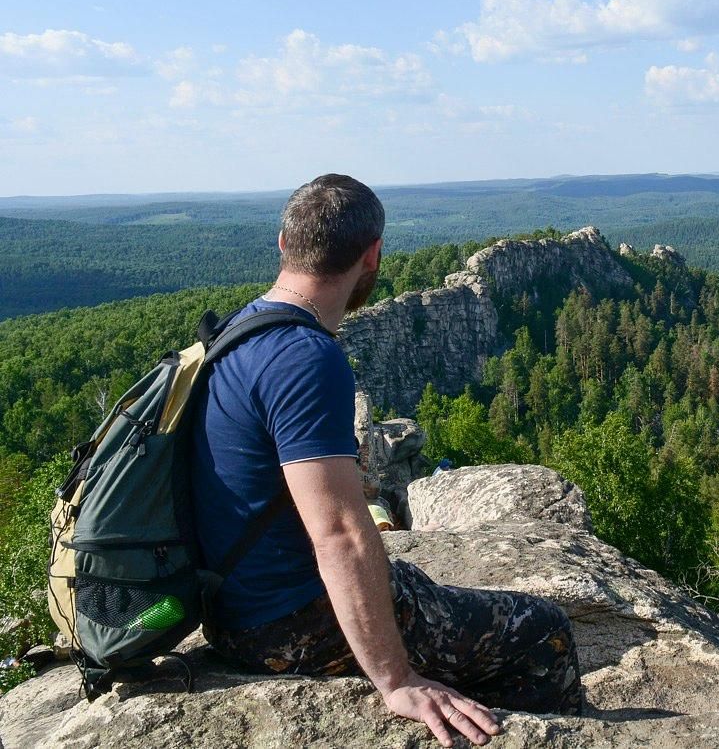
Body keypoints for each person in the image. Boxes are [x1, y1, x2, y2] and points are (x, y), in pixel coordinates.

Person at [190, 174, 582, 747]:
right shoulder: (306, 357)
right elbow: (342, 535)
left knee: (413, 582)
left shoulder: (234, 331)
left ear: (283, 243)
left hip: (227, 610)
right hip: (285, 624)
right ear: (372, 254)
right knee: (541, 630)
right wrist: (395, 680)